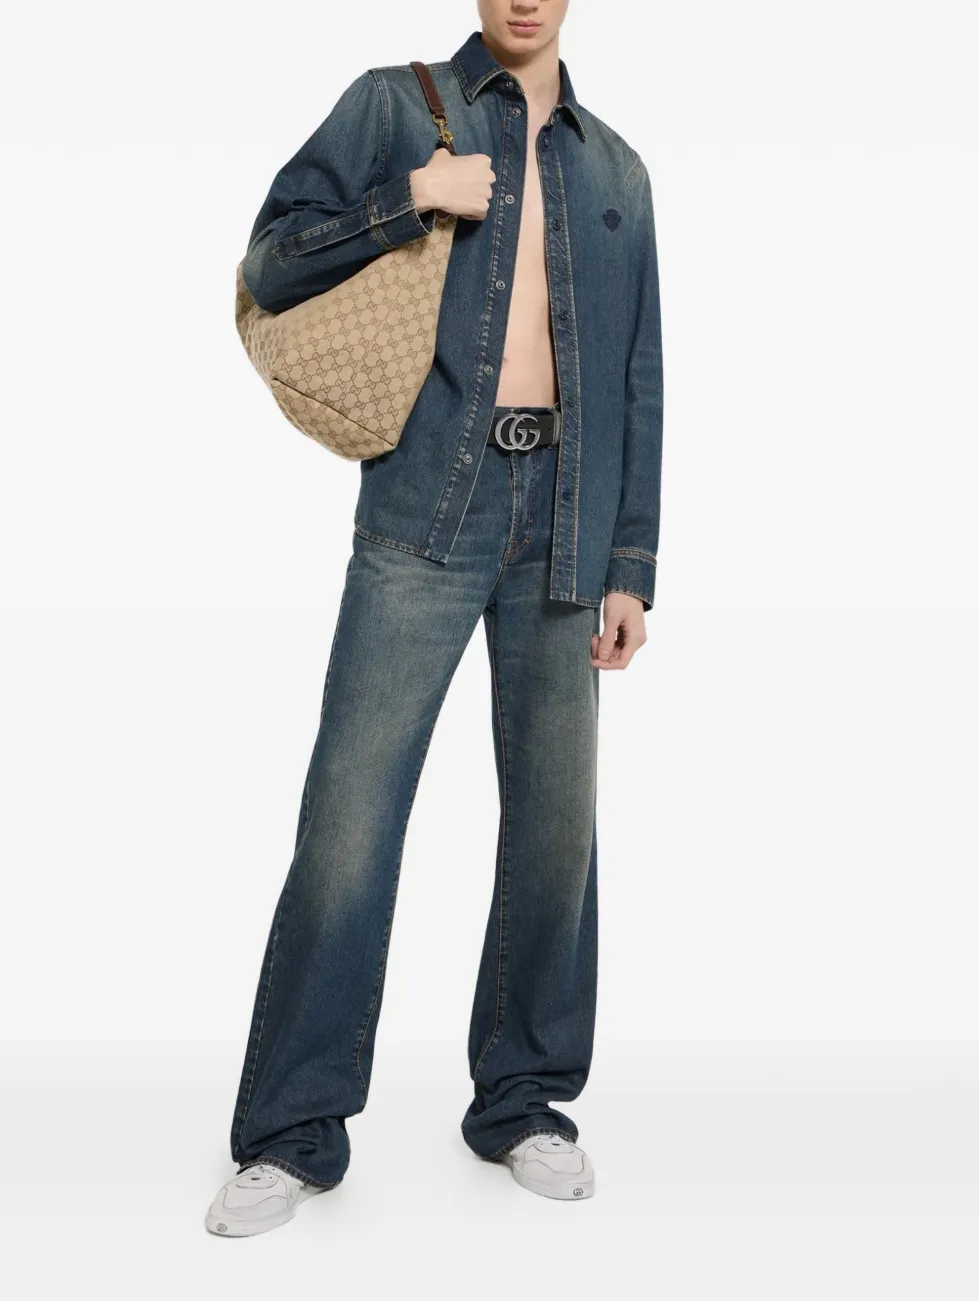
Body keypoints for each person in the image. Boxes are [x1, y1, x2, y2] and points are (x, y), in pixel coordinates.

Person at [206, 0, 662, 1237]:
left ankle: (523, 1099)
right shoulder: (394, 106)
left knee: (557, 829)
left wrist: (630, 562)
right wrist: (409, 198)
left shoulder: (617, 171)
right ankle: (292, 1127)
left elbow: (638, 374)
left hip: (565, 526)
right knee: (349, 819)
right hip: (425, 506)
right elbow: (268, 263)